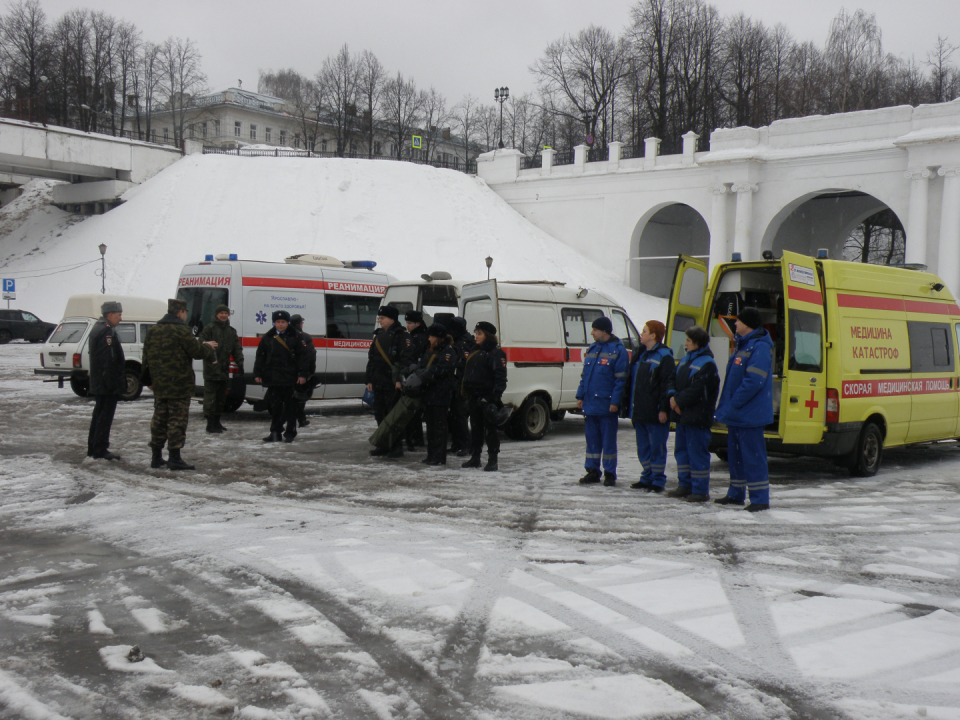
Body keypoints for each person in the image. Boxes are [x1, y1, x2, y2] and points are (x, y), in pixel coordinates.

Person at [141, 298, 217, 470]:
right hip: (179, 384)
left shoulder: (154, 330)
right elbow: (196, 352)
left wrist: (148, 380)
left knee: (159, 419)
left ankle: (156, 457)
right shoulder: (182, 330)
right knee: (177, 420)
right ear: (181, 312)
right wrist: (208, 347)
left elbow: (146, 356)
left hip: (160, 384)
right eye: (185, 313)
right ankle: (174, 457)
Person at [714, 307, 774, 512]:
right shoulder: (743, 345)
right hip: (738, 414)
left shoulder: (760, 347)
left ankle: (759, 499)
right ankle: (736, 493)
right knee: (736, 456)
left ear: (747, 324)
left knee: (753, 457)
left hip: (749, 414)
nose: (735, 324)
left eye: (738, 321)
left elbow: (754, 381)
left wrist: (734, 403)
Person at [666, 325, 720, 502]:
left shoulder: (707, 364)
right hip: (683, 416)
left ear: (697, 342)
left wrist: (678, 401)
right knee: (682, 452)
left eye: (688, 340)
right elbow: (672, 379)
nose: (686, 343)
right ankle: (685, 484)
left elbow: (697, 390)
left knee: (697, 454)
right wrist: (673, 397)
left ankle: (700, 489)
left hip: (697, 417)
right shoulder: (685, 360)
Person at [623, 320, 675, 493]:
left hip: (654, 411)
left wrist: (663, 409)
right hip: (640, 410)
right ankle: (646, 476)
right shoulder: (641, 354)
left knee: (656, 448)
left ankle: (657, 480)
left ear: (653, 335)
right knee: (643, 447)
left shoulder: (664, 356)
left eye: (644, 331)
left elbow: (666, 384)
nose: (641, 334)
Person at [576, 316, 628, 486]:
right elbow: (585, 376)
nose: (592, 333)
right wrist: (580, 396)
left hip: (606, 404)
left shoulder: (618, 350)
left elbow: (620, 380)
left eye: (595, 330)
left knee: (608, 441)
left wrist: (615, 402)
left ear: (604, 331)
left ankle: (609, 473)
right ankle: (592, 471)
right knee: (592, 440)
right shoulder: (592, 349)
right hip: (591, 403)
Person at [254, 310, 310, 443]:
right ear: (274, 323)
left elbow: (304, 357)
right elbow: (260, 356)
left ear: (287, 322)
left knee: (290, 407)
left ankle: (290, 433)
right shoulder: (268, 337)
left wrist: (302, 374)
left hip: (290, 377)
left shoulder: (296, 337)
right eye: (278, 322)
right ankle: (275, 432)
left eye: (283, 322)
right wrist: (257, 373)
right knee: (275, 407)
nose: (280, 325)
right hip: (273, 377)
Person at [366, 305, 413, 458]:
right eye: (379, 318)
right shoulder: (379, 335)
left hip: (392, 382)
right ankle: (384, 444)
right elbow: (372, 359)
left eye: (382, 318)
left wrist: (400, 379)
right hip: (379, 381)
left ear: (392, 319)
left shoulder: (402, 336)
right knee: (380, 414)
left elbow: (405, 360)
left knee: (392, 415)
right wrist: (369, 379)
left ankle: (396, 446)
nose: (380, 321)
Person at [461, 321, 507, 472]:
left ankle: (492, 460)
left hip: (487, 398)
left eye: (479, 333)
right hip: (474, 397)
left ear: (488, 336)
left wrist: (492, 398)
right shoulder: (476, 351)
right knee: (475, 429)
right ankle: (475, 457)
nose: (476, 336)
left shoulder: (495, 353)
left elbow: (500, 378)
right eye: (476, 333)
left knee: (490, 431)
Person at [87, 300, 126, 460]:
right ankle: (99, 449)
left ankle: (94, 447)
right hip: (105, 384)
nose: (120, 318)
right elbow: (108, 360)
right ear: (110, 315)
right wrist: (112, 384)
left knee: (99, 415)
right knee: (104, 416)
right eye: (119, 315)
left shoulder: (99, 328)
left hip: (100, 382)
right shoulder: (106, 331)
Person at [198, 304, 244, 434]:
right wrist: (206, 345)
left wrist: (240, 363)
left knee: (221, 398)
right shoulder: (209, 329)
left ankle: (217, 422)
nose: (223, 315)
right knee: (210, 398)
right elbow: (200, 342)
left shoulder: (231, 331)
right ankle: (210, 423)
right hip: (211, 368)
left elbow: (237, 349)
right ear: (216, 315)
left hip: (224, 369)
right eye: (221, 313)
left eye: (225, 313)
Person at [419, 323, 458, 465]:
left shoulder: (448, 351)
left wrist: (425, 374)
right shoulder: (432, 351)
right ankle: (431, 455)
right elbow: (424, 366)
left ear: (438, 337)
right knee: (431, 428)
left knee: (439, 428)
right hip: (430, 394)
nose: (428, 339)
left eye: (431, 336)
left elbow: (441, 370)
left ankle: (439, 456)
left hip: (440, 395)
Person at [446, 316, 475, 457]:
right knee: (455, 416)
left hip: (461, 384)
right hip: (455, 383)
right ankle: (457, 444)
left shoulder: (464, 342)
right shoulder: (459, 340)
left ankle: (465, 445)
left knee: (461, 415)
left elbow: (464, 364)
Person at [404, 310, 429, 450]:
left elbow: (415, 357)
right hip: (416, 375)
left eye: (410, 323)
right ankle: (416, 437)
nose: (407, 325)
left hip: (416, 376)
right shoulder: (419, 336)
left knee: (414, 411)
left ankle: (416, 438)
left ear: (417, 324)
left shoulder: (418, 338)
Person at [290, 314, 317, 427]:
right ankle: (301, 419)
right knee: (299, 397)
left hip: (288, 371)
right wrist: (310, 371)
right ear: (300, 324)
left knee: (291, 397)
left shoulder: (286, 336)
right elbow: (311, 355)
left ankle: (299, 419)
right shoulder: (305, 337)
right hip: (301, 372)